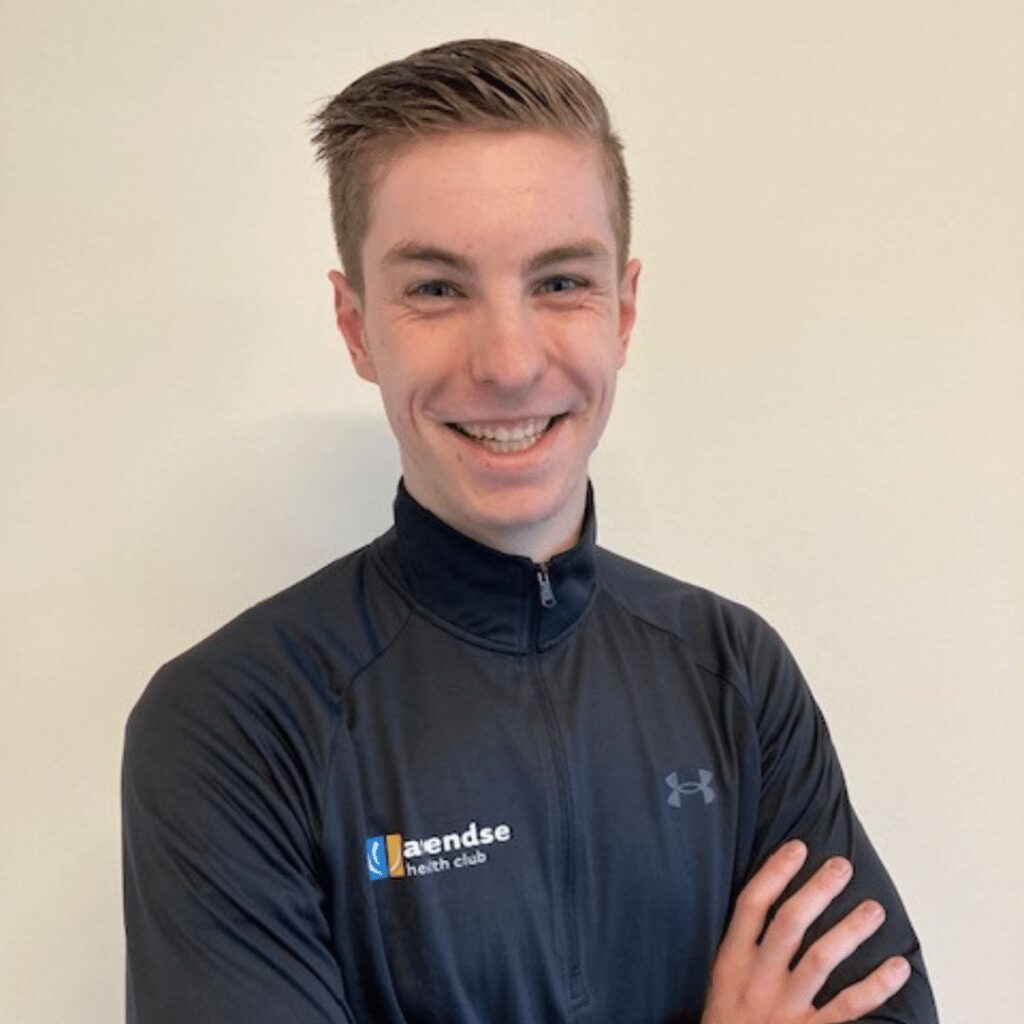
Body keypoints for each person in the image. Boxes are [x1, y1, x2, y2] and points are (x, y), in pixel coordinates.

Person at [121, 38, 939, 1024]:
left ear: (622, 311)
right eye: (436, 288)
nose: (508, 363)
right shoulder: (235, 724)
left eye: (558, 283)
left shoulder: (734, 673)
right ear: (356, 325)